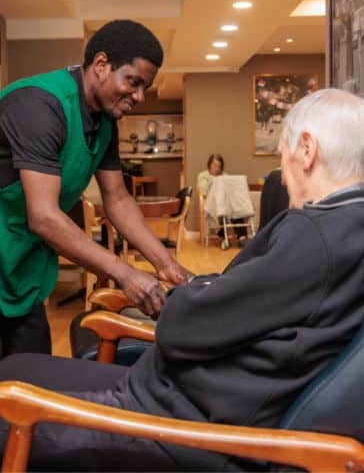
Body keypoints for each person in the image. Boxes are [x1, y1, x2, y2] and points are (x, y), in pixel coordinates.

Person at [2, 88, 364, 471]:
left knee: (8, 395)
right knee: (15, 367)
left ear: (306, 150)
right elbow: (235, 304)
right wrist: (203, 291)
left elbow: (181, 327)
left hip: (171, 428)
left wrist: (194, 295)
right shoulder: (344, 229)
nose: (284, 176)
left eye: (282, 156)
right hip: (177, 402)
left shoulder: (315, 235)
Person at [0, 20, 189, 357]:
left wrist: (166, 265)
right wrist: (125, 273)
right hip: (10, 245)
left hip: (19, 268)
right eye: (133, 82)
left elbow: (116, 197)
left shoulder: (105, 120)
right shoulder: (38, 105)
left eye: (144, 87)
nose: (139, 96)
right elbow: (43, 216)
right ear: (101, 65)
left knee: (33, 376)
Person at [197, 154, 248, 248]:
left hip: (226, 202)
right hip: (212, 202)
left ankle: (242, 237)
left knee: (235, 207)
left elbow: (231, 190)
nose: (217, 169)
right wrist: (215, 182)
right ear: (209, 165)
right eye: (215, 165)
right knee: (220, 210)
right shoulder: (203, 176)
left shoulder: (225, 176)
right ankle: (224, 237)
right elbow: (203, 190)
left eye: (219, 166)